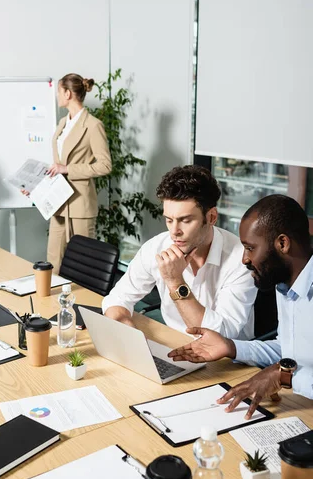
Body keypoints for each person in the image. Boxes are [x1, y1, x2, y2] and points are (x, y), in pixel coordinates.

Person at [168, 194, 313, 418]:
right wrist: (230, 347)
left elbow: (288, 369)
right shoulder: (284, 283)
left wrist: (283, 376)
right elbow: (289, 349)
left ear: (282, 244)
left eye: (250, 248)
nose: (244, 259)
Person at [103, 165, 256, 340]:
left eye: (185, 220)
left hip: (228, 360)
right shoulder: (156, 247)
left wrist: (175, 282)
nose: (174, 231)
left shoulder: (240, 259)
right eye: (169, 220)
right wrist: (129, 333)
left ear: (212, 217)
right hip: (175, 344)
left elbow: (221, 334)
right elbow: (117, 298)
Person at [32, 73, 112, 273]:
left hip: (80, 203)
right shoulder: (62, 123)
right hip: (58, 202)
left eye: (59, 91)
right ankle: (51, 303)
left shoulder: (93, 125)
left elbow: (105, 165)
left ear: (67, 93)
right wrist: (35, 187)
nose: (57, 96)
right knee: (53, 261)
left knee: (85, 264)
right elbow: (57, 165)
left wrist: (68, 169)